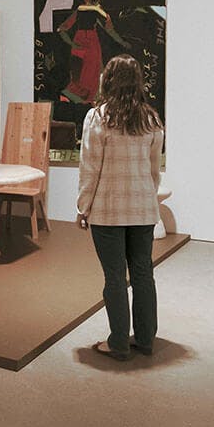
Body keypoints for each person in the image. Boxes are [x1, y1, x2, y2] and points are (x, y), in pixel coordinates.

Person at [77, 54, 164, 361]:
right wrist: (146, 197)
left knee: (114, 277)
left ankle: (118, 343)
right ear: (138, 81)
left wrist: (83, 207)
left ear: (108, 80)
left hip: (108, 211)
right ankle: (146, 339)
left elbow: (90, 169)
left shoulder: (97, 117)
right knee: (143, 274)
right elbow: (154, 171)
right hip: (143, 210)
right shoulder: (151, 119)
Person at [57, 0, 129, 103]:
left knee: (86, 72)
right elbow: (110, 30)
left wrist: (72, 44)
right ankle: (89, 99)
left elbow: (62, 29)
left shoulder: (81, 10)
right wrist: (122, 42)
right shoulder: (98, 11)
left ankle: (86, 98)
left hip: (80, 41)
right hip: (89, 42)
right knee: (92, 71)